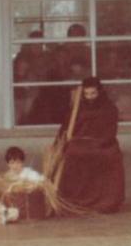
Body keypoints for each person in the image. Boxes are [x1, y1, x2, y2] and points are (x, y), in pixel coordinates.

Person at [50, 76, 125, 213]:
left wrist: (100, 143)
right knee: (72, 154)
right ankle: (73, 200)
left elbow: (111, 131)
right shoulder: (77, 108)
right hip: (80, 141)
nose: (90, 97)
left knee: (110, 156)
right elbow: (67, 127)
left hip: (102, 143)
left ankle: (106, 201)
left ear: (99, 92)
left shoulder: (109, 108)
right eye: (86, 94)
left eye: (93, 93)